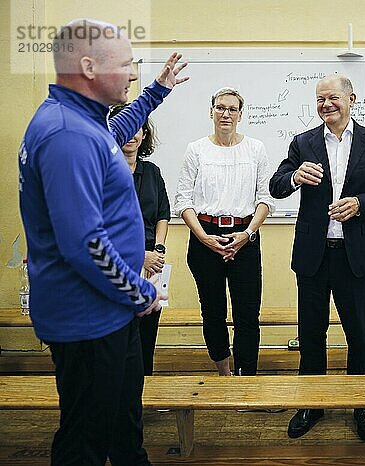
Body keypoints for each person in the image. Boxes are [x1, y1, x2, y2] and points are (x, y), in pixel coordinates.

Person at [18, 18, 188, 466]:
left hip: (107, 312)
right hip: (89, 318)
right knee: (85, 443)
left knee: (122, 425)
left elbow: (115, 133)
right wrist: (140, 292)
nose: (133, 73)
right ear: (89, 67)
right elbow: (85, 244)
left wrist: (156, 92)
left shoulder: (82, 124)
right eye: (126, 64)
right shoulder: (68, 135)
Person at [269, 75, 365, 441]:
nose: (326, 104)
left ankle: (363, 404)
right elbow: (276, 186)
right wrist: (294, 176)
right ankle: (312, 403)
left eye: (333, 98)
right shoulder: (303, 142)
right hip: (313, 256)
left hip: (355, 256)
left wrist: (361, 204)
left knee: (358, 335)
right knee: (311, 334)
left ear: (351, 99)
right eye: (320, 99)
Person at [174, 87, 275, 377]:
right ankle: (224, 373)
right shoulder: (196, 150)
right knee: (213, 312)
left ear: (240, 115)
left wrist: (248, 233)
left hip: (245, 237)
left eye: (232, 109)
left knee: (247, 315)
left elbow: (265, 199)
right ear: (211, 112)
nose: (225, 114)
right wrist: (203, 237)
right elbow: (183, 201)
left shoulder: (255, 149)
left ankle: (247, 378)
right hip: (205, 237)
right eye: (220, 108)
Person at [109, 104, 170, 376]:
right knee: (122, 332)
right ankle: (123, 400)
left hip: (151, 264)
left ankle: (146, 393)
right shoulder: (104, 173)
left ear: (144, 133)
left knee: (148, 332)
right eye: (125, 127)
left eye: (138, 127)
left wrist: (157, 250)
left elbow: (163, 215)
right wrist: (138, 256)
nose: (132, 135)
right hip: (117, 263)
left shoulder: (153, 172)